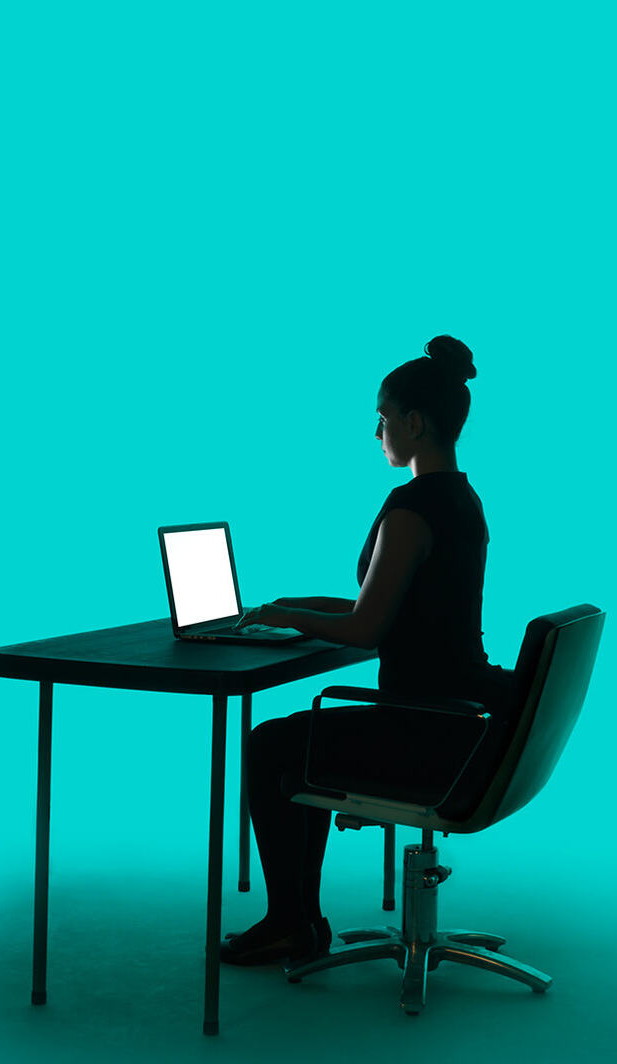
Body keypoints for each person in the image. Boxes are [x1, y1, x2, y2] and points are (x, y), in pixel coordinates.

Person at [219, 335, 521, 967]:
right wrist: (285, 609)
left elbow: (366, 630)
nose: (376, 432)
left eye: (382, 419)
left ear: (414, 422)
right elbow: (392, 604)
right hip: (463, 716)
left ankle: (290, 922)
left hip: (425, 729)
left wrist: (289, 617)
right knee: (292, 742)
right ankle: (295, 921)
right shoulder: (461, 499)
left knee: (269, 744)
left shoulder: (412, 507)